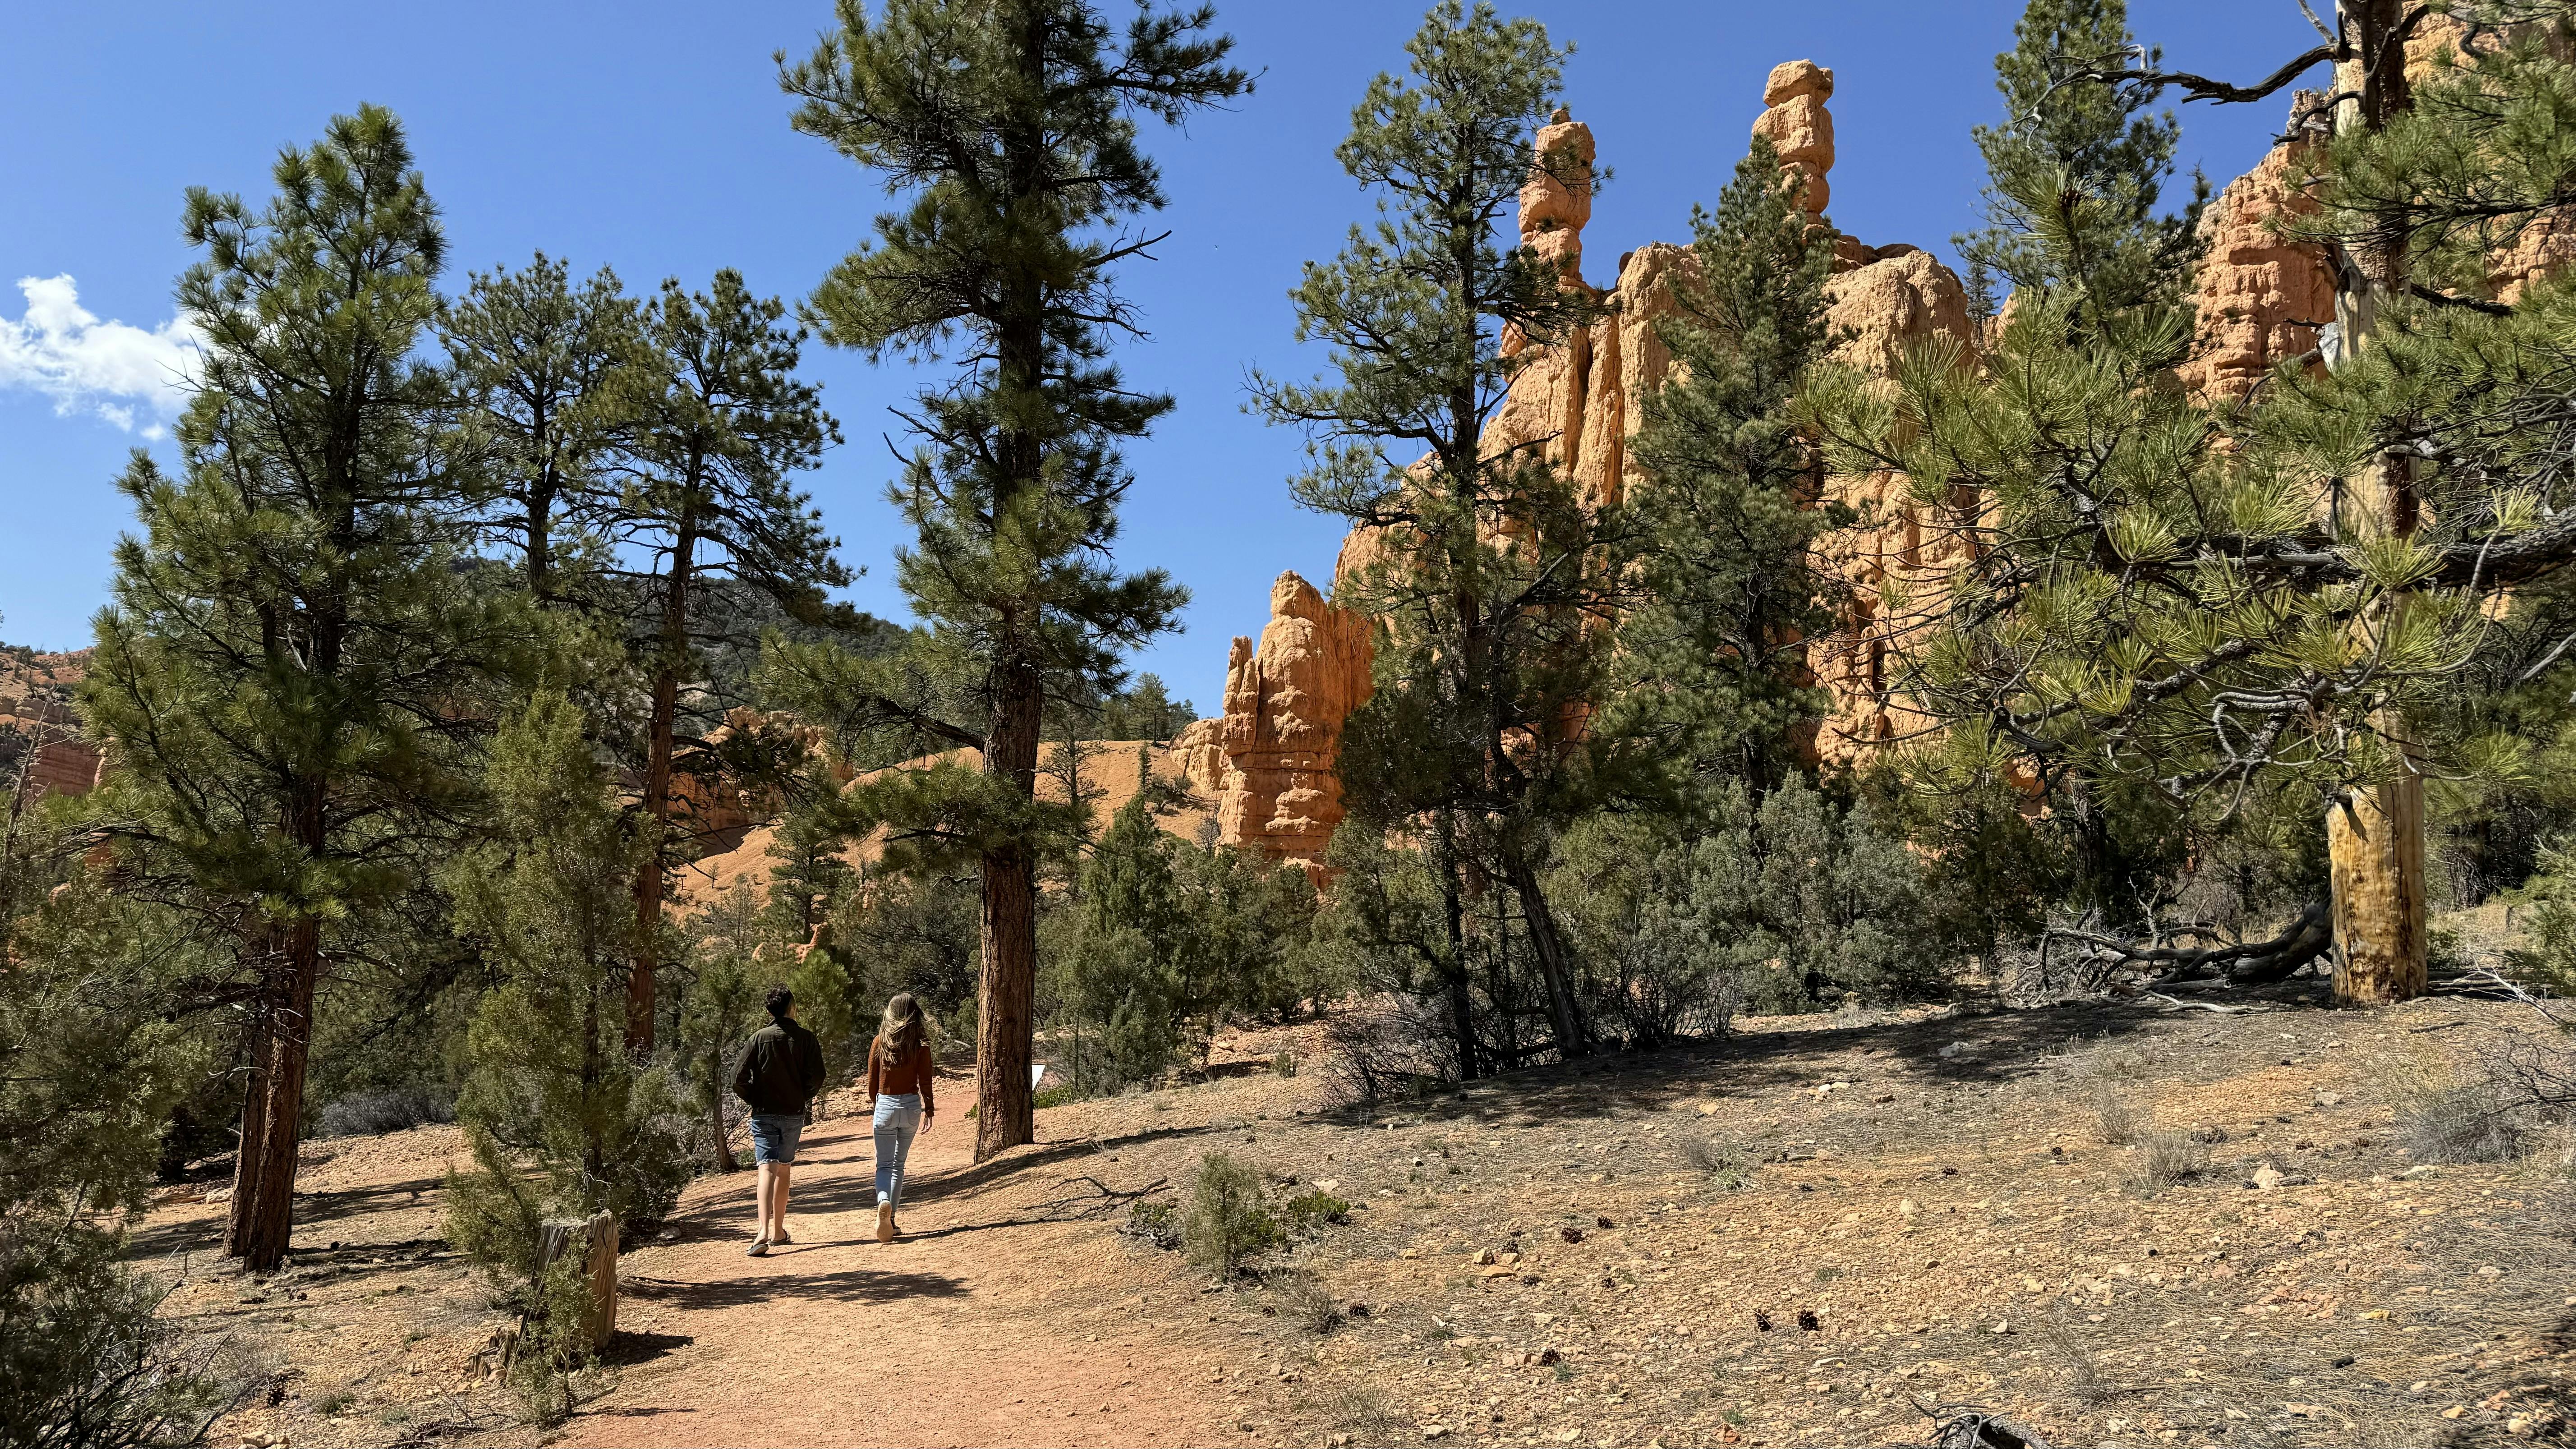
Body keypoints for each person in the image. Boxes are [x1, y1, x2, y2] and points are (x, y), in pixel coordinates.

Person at [730, 986, 826, 1257]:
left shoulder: (758, 1038)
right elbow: (818, 1075)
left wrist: (755, 1098)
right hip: (794, 1113)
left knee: (766, 1169)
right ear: (791, 1007)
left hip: (764, 1113)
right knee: (784, 1169)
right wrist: (801, 1096)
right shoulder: (807, 1038)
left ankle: (762, 1231)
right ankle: (778, 1232)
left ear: (768, 1010)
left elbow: (737, 1077)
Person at [863, 993, 936, 1242]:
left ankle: (883, 1202)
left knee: (883, 1165)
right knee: (899, 1165)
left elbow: (873, 1081)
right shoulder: (921, 1044)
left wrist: (877, 1102)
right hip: (911, 1106)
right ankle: (891, 1221)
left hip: (886, 1104)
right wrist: (929, 1108)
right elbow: (925, 1079)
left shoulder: (879, 1042)